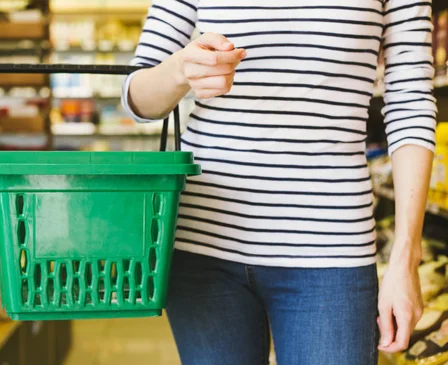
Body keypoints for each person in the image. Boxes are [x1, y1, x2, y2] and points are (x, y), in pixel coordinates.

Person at [122, 1, 436, 364]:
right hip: (204, 241)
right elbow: (135, 97)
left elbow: (410, 101)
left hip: (331, 251)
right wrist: (180, 70)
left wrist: (405, 259)